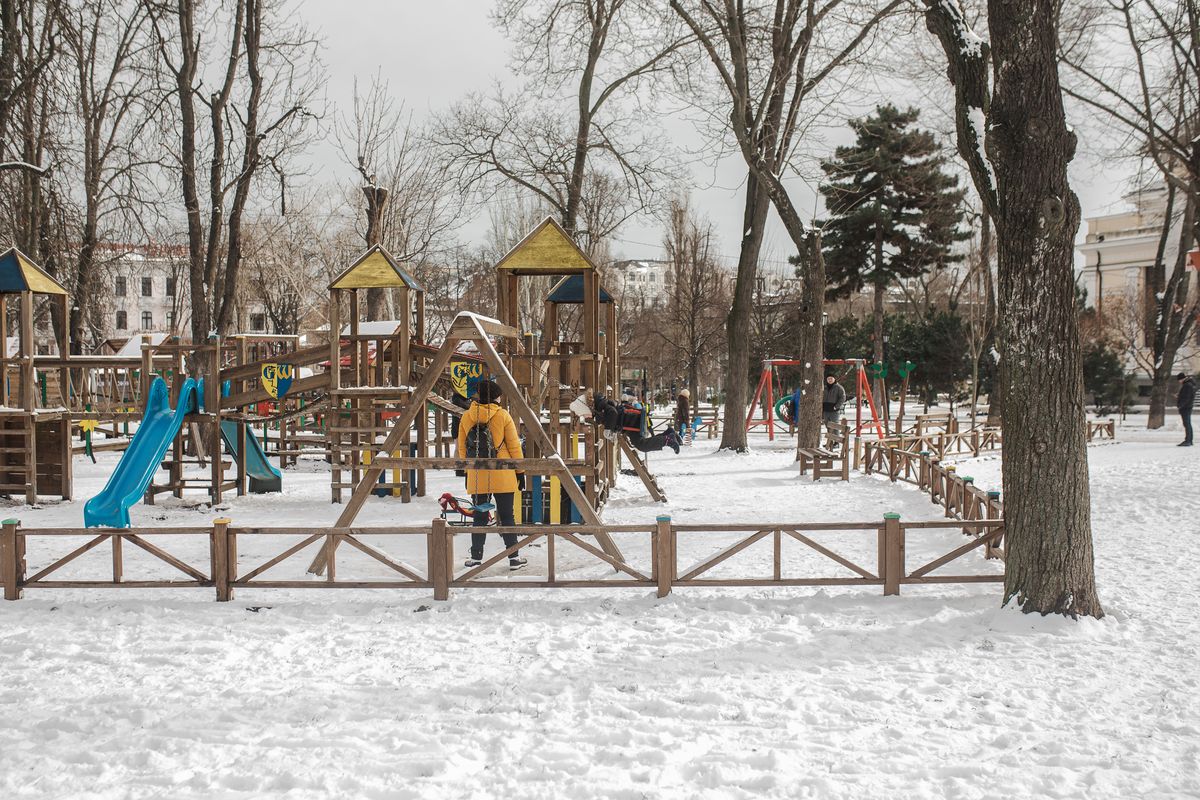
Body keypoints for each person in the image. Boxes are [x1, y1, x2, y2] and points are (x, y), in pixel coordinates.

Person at [456, 379, 528, 570]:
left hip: (478, 474)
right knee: (507, 516)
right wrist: (520, 471)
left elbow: (462, 448)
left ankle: (476, 557)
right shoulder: (503, 415)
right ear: (495, 396)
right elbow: (514, 446)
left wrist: (467, 470)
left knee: (479, 516)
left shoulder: (467, 416)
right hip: (502, 472)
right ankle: (513, 558)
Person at [822, 373, 846, 447]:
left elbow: (843, 398)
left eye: (831, 379)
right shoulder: (824, 387)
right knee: (828, 426)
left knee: (835, 427)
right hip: (826, 410)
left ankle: (837, 443)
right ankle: (830, 442)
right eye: (828, 379)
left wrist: (836, 406)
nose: (829, 380)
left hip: (834, 411)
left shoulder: (839, 388)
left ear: (834, 379)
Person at [1177, 372, 1195, 447]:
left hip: (1186, 407)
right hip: (1188, 406)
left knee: (1187, 424)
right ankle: (1189, 440)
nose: (1179, 382)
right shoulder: (1189, 385)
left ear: (1182, 379)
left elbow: (1186, 397)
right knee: (1187, 424)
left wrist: (1180, 405)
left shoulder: (1187, 386)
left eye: (1179, 380)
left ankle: (1188, 440)